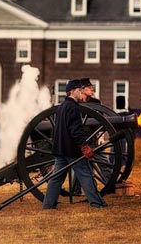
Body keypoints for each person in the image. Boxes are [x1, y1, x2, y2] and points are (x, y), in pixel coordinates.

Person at [43, 79, 107, 209]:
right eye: (79, 90)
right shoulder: (73, 107)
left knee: (56, 178)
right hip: (72, 150)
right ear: (72, 92)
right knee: (86, 175)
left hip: (61, 149)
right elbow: (75, 130)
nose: (81, 92)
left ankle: (48, 204)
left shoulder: (62, 106)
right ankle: (97, 202)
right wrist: (84, 146)